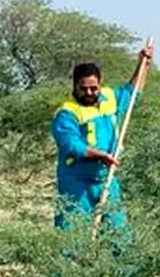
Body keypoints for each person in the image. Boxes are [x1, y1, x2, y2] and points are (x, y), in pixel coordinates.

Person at [51, 42, 154, 233]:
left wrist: (144, 64)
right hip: (77, 179)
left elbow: (132, 92)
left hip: (106, 176)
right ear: (74, 86)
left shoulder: (109, 99)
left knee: (118, 232)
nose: (89, 93)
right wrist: (100, 156)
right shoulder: (66, 113)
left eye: (93, 88)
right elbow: (71, 145)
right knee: (73, 231)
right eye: (83, 89)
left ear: (100, 84)